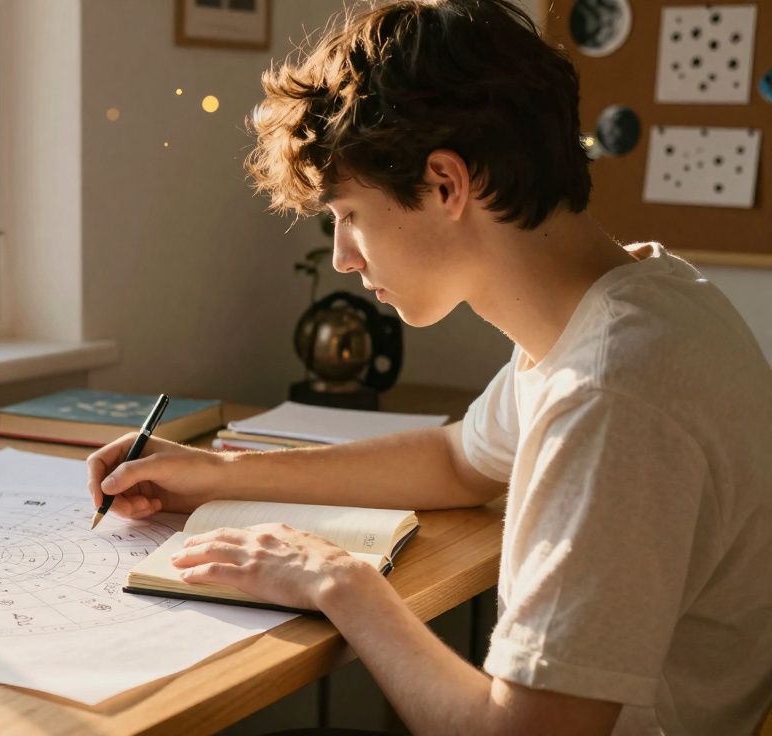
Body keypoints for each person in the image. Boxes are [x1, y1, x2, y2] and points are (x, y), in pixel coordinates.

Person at [87, 1, 772, 733]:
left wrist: (338, 581)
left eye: (349, 213)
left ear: (446, 184)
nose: (345, 257)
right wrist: (220, 475)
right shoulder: (633, 303)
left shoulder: (610, 395)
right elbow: (458, 460)